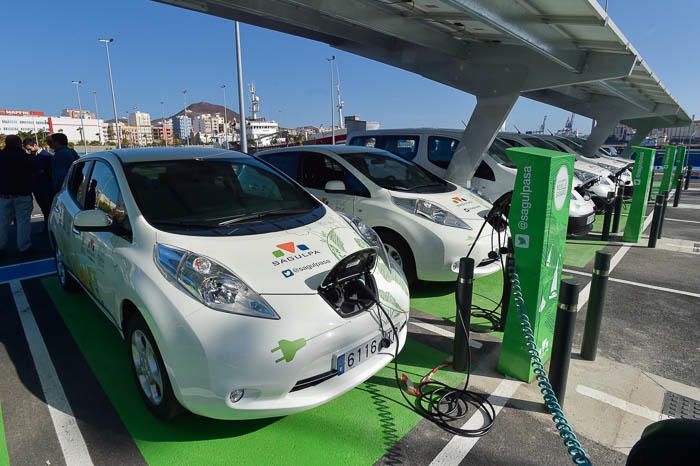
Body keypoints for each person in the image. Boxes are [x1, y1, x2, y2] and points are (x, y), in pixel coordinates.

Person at [0, 135, 35, 256]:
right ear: (19, 144)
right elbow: (33, 172)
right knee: (23, 222)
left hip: (3, 195)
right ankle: (24, 247)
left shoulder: (1, 156)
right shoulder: (25, 157)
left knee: (2, 222)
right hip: (22, 194)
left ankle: (1, 247)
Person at [23, 137, 53, 231]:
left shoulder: (47, 156)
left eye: (29, 149)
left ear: (35, 145)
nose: (28, 151)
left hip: (46, 187)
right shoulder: (31, 156)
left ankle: (49, 227)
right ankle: (46, 226)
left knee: (48, 208)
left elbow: (51, 171)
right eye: (26, 149)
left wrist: (42, 172)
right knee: (43, 208)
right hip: (36, 187)